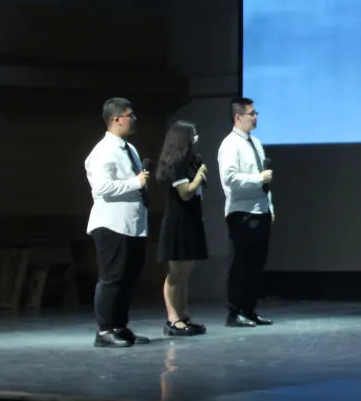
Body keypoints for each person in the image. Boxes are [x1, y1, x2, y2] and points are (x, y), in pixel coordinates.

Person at [85, 97, 150, 348]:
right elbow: (102, 188)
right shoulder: (103, 151)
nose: (134, 119)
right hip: (111, 224)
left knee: (128, 278)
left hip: (132, 224)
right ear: (116, 119)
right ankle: (104, 330)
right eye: (130, 115)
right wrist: (136, 182)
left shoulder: (129, 148)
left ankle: (120, 326)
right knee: (112, 278)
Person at [217, 97, 275, 327]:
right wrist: (258, 178)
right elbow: (229, 178)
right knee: (240, 264)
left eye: (255, 113)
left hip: (260, 209)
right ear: (238, 117)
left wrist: (270, 206)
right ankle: (235, 312)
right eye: (252, 113)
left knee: (256, 263)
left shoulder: (256, 143)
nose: (256, 117)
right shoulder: (230, 144)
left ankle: (249, 309)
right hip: (241, 212)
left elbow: (265, 178)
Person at [156, 121, 210, 336]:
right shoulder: (176, 164)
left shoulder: (191, 162)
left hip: (192, 222)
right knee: (175, 273)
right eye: (193, 134)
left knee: (186, 272)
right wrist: (200, 175)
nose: (196, 138)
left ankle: (184, 315)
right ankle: (172, 318)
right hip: (178, 224)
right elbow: (185, 192)